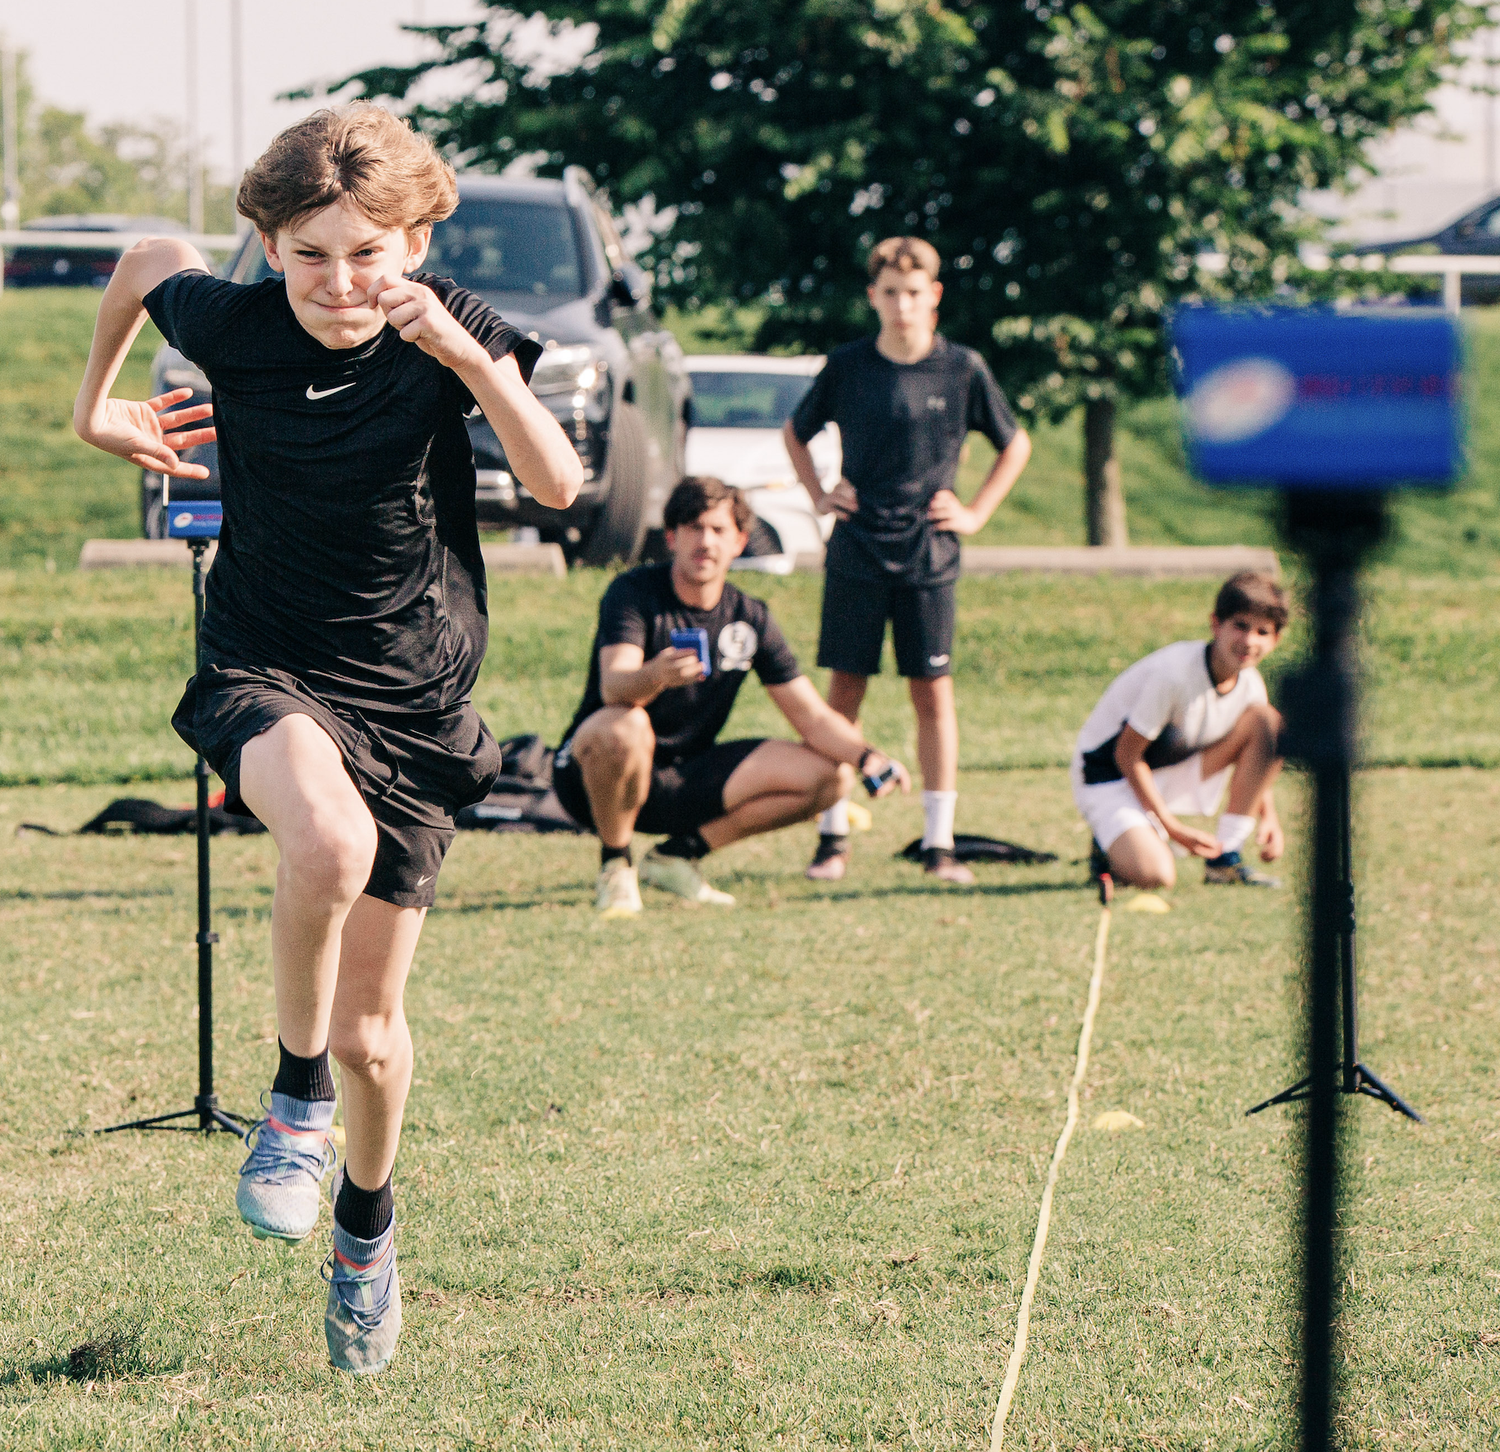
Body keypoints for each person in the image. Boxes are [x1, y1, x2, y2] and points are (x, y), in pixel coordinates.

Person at [72, 105, 582, 1376]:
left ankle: (366, 1223)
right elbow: (141, 261)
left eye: (369, 253)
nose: (342, 283)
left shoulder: (445, 330)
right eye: (309, 254)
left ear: (415, 240)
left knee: (376, 1034)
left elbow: (562, 484)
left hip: (411, 693)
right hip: (263, 658)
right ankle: (290, 1096)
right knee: (324, 838)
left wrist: (469, 361)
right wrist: (98, 409)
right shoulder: (237, 324)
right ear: (270, 246)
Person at [783, 236, 1032, 886]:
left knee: (932, 695)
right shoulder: (848, 365)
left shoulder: (963, 368)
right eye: (890, 293)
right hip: (857, 551)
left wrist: (975, 513)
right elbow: (796, 431)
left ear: (934, 296)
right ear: (873, 296)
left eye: (914, 293)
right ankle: (832, 836)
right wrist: (819, 494)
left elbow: (1015, 443)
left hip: (930, 555)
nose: (902, 305)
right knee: (844, 694)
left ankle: (939, 842)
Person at [553, 476, 911, 916]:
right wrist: (655, 675)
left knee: (831, 777)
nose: (706, 542)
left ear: (740, 541)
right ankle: (616, 865)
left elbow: (811, 718)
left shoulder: (749, 617)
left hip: (683, 776)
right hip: (593, 774)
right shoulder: (633, 593)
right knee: (625, 725)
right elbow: (614, 686)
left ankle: (677, 857)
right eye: (694, 527)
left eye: (719, 530)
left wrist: (869, 757)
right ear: (672, 537)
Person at [1072, 571, 1288, 891]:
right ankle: (1108, 847)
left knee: (1268, 724)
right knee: (1157, 876)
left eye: (1262, 631)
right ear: (1216, 624)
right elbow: (1126, 754)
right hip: (1109, 778)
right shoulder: (1174, 673)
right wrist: (1171, 828)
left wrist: (1269, 817)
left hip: (1167, 770)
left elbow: (1259, 753)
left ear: (1275, 640)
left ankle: (1224, 859)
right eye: (1240, 625)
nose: (1249, 641)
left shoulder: (1251, 683)